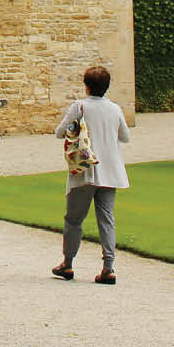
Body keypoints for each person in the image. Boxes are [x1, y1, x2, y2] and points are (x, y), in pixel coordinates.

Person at [51, 64, 131, 285]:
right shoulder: (114, 108)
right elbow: (125, 137)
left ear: (86, 86)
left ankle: (67, 263)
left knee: (74, 220)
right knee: (107, 220)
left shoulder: (80, 106)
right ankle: (109, 267)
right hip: (109, 171)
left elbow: (59, 132)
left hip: (85, 171)